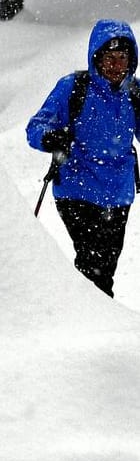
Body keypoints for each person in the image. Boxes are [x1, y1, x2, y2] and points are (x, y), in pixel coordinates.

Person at [27, 19, 140, 297]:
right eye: (109, 58)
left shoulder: (135, 93)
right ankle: (93, 322)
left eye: (122, 58)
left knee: (105, 269)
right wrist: (51, 138)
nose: (116, 65)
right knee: (93, 267)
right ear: (96, 59)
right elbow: (35, 127)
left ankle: (87, 315)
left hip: (119, 193)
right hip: (77, 189)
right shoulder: (74, 87)